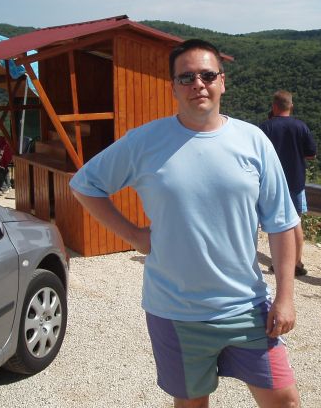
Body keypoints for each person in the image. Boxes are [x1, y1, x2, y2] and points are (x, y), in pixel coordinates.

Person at [69, 39, 301, 407]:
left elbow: (282, 223)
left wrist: (286, 297)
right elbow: (84, 184)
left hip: (246, 307)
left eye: (207, 75)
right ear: (173, 87)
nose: (198, 84)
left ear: (222, 81)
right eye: (186, 77)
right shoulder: (145, 141)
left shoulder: (253, 141)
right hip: (175, 311)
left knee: (284, 400)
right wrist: (134, 235)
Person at [260, 90, 317, 277]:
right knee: (295, 223)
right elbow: (311, 154)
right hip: (296, 181)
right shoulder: (301, 126)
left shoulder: (265, 127)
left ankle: (279, 263)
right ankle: (297, 263)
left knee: (275, 223)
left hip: (271, 183)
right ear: (291, 106)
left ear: (274, 106)